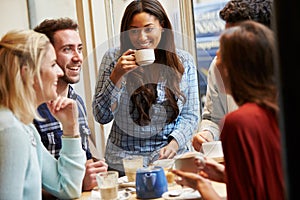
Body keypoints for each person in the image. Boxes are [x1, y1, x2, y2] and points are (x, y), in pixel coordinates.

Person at [172, 20, 285, 200]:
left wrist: (201, 185)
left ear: (238, 67)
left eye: (221, 54)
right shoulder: (277, 110)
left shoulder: (238, 123)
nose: (216, 61)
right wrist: (227, 175)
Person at [92, 0, 200, 175]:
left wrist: (174, 144)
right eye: (134, 30)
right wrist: (117, 76)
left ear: (162, 27)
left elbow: (191, 114)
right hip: (125, 163)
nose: (141, 38)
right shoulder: (113, 58)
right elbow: (101, 116)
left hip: (169, 161)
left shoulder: (183, 61)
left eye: (148, 29)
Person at [0, 30, 86, 199]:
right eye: (53, 64)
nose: (60, 73)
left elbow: (67, 188)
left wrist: (70, 129)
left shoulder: (24, 127)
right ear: (28, 73)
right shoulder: (10, 130)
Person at [33, 17, 108, 191]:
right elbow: (29, 184)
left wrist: (94, 173)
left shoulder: (77, 102)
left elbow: (85, 159)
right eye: (67, 49)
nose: (78, 58)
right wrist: (77, 184)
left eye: (79, 49)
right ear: (47, 56)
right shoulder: (31, 108)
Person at [193, 0, 273, 151]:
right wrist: (207, 134)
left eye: (236, 43)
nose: (222, 54)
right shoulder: (219, 67)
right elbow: (213, 118)